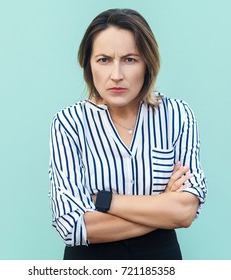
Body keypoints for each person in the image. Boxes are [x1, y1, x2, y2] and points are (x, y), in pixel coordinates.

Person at [48, 8, 207, 260]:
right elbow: (71, 225)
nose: (116, 75)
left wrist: (105, 201)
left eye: (130, 59)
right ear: (89, 65)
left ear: (147, 63)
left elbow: (186, 210)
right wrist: (163, 206)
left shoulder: (177, 115)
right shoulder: (70, 123)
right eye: (104, 60)